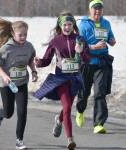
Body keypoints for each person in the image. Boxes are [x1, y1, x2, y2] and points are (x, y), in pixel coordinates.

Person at [34, 11, 90, 150]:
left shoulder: (80, 39)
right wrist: (39, 62)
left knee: (67, 108)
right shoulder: (55, 41)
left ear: (73, 25)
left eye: (70, 24)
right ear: (60, 25)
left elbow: (87, 60)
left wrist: (81, 51)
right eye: (65, 24)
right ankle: (70, 140)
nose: (67, 27)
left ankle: (59, 120)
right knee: (67, 107)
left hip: (75, 79)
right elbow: (47, 60)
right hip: (61, 78)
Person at [0, 18, 38, 150]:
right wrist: (5, 76)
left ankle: (19, 140)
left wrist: (33, 71)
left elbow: (31, 60)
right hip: (7, 84)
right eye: (20, 35)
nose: (23, 37)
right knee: (9, 112)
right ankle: (1, 113)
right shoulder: (6, 48)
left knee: (22, 111)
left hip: (21, 83)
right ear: (13, 34)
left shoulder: (29, 46)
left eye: (25, 34)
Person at [75, 0, 116, 134]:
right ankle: (80, 111)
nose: (97, 11)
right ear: (90, 10)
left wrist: (112, 41)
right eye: (95, 8)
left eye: (100, 8)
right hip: (87, 63)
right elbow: (79, 47)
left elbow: (111, 39)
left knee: (100, 92)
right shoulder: (83, 25)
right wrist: (93, 47)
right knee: (84, 93)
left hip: (102, 63)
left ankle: (98, 124)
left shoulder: (106, 23)